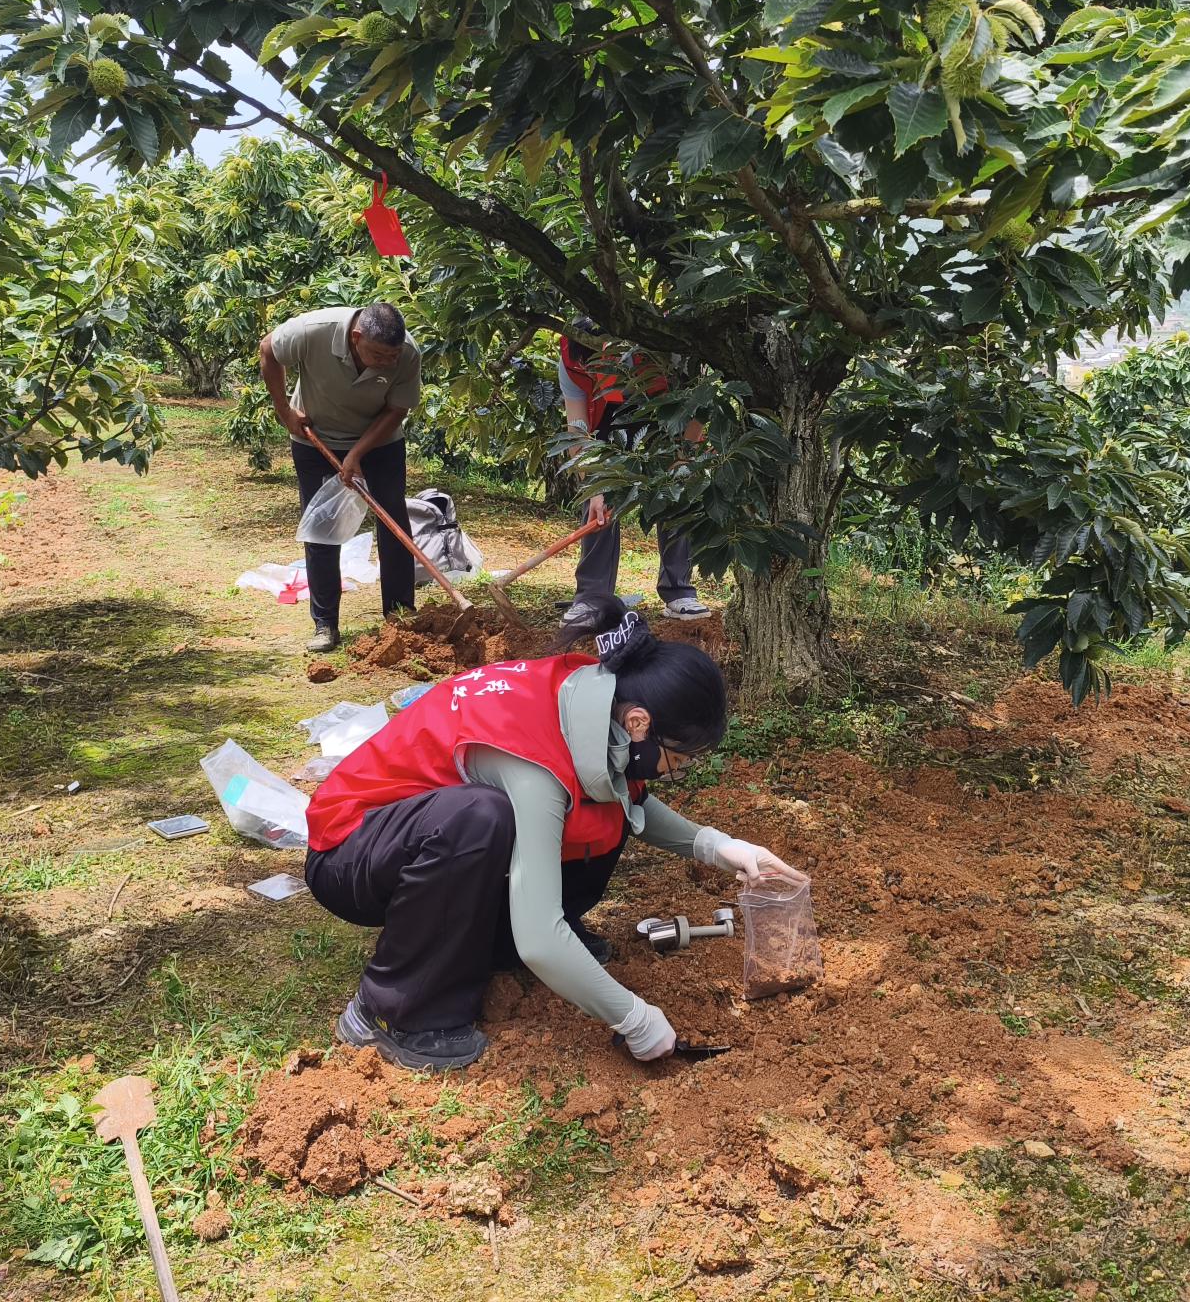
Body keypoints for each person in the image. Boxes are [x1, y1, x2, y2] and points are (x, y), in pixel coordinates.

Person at [302, 595, 799, 1070]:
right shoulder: (534, 764)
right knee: (482, 815)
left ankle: (495, 944)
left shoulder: (594, 703)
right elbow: (540, 938)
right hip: (352, 851)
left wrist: (722, 847)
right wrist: (634, 1017)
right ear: (640, 722)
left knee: (596, 806)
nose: (679, 770)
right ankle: (391, 1011)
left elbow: (628, 802)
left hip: (418, 839)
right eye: (680, 757)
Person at [259, 302, 421, 653]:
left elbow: (397, 409)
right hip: (315, 438)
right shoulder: (312, 331)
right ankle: (325, 624)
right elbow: (268, 348)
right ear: (356, 337)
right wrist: (284, 410)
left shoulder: (407, 353)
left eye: (392, 356)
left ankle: (400, 616)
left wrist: (357, 453)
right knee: (321, 528)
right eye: (378, 355)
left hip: (380, 442)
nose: (387, 362)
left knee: (392, 520)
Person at [558, 327, 711, 626]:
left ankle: (679, 591)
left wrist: (682, 460)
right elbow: (577, 429)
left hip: (664, 415)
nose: (596, 368)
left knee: (676, 489)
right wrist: (595, 484)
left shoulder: (667, 344)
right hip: (607, 422)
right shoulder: (570, 359)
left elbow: (698, 407)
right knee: (597, 502)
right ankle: (592, 598)